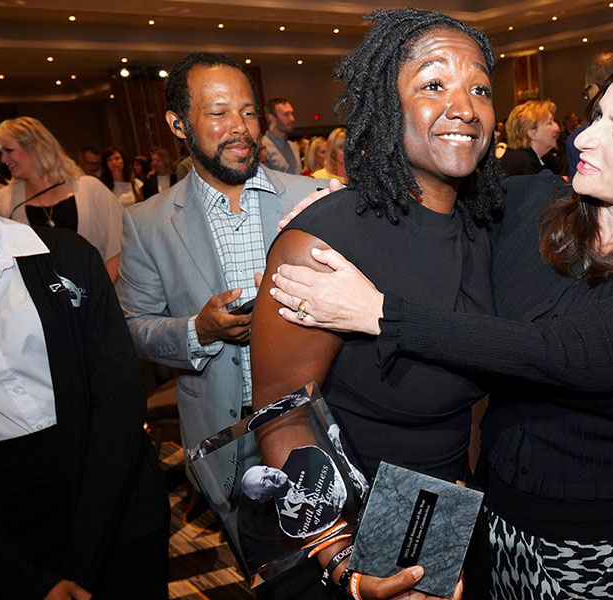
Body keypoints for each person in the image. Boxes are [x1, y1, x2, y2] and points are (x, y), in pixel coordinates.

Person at [268, 47, 613, 600]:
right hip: (493, 508)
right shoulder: (531, 203)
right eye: (597, 116)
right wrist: (344, 210)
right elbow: (425, 197)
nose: (584, 139)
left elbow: (564, 353)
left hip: (607, 540)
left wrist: (380, 312)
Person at [252, 8, 503, 599]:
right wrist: (341, 559)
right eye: (434, 84)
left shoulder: (490, 223)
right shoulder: (322, 244)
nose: (464, 106)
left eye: (480, 88)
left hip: (452, 506)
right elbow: (283, 418)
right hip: (352, 519)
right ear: (387, 108)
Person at [0, 89, 169, 600]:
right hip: (4, 542)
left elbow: (116, 405)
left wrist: (83, 565)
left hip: (118, 513)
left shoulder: (64, 258)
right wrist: (26, 581)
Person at [114, 51, 321, 514]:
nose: (241, 127)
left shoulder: (314, 199)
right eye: (218, 113)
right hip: (221, 433)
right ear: (177, 124)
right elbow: (132, 327)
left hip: (315, 422)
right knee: (260, 564)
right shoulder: (146, 223)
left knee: (332, 550)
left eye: (248, 111)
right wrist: (198, 331)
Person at [0, 117, 124, 283]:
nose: (3, 159)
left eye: (8, 150)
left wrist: (99, 296)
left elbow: (119, 246)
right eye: (1, 152)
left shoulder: (90, 189)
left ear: (35, 147)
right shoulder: (3, 202)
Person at [498, 100, 561, 176]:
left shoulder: (522, 158)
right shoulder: (524, 165)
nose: (556, 127)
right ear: (533, 133)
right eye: (550, 123)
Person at [261, 97, 301, 174]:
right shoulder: (262, 148)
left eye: (292, 114)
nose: (292, 118)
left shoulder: (293, 147)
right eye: (286, 114)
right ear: (271, 118)